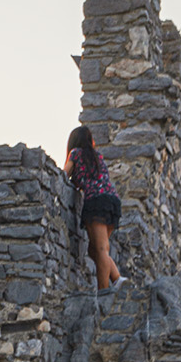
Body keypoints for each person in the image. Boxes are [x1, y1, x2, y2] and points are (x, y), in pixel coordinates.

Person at [65, 124, 124, 290]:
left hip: (96, 202)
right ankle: (117, 279)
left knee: (101, 249)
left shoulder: (75, 154)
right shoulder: (98, 156)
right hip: (112, 201)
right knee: (94, 250)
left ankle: (105, 291)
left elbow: (64, 173)